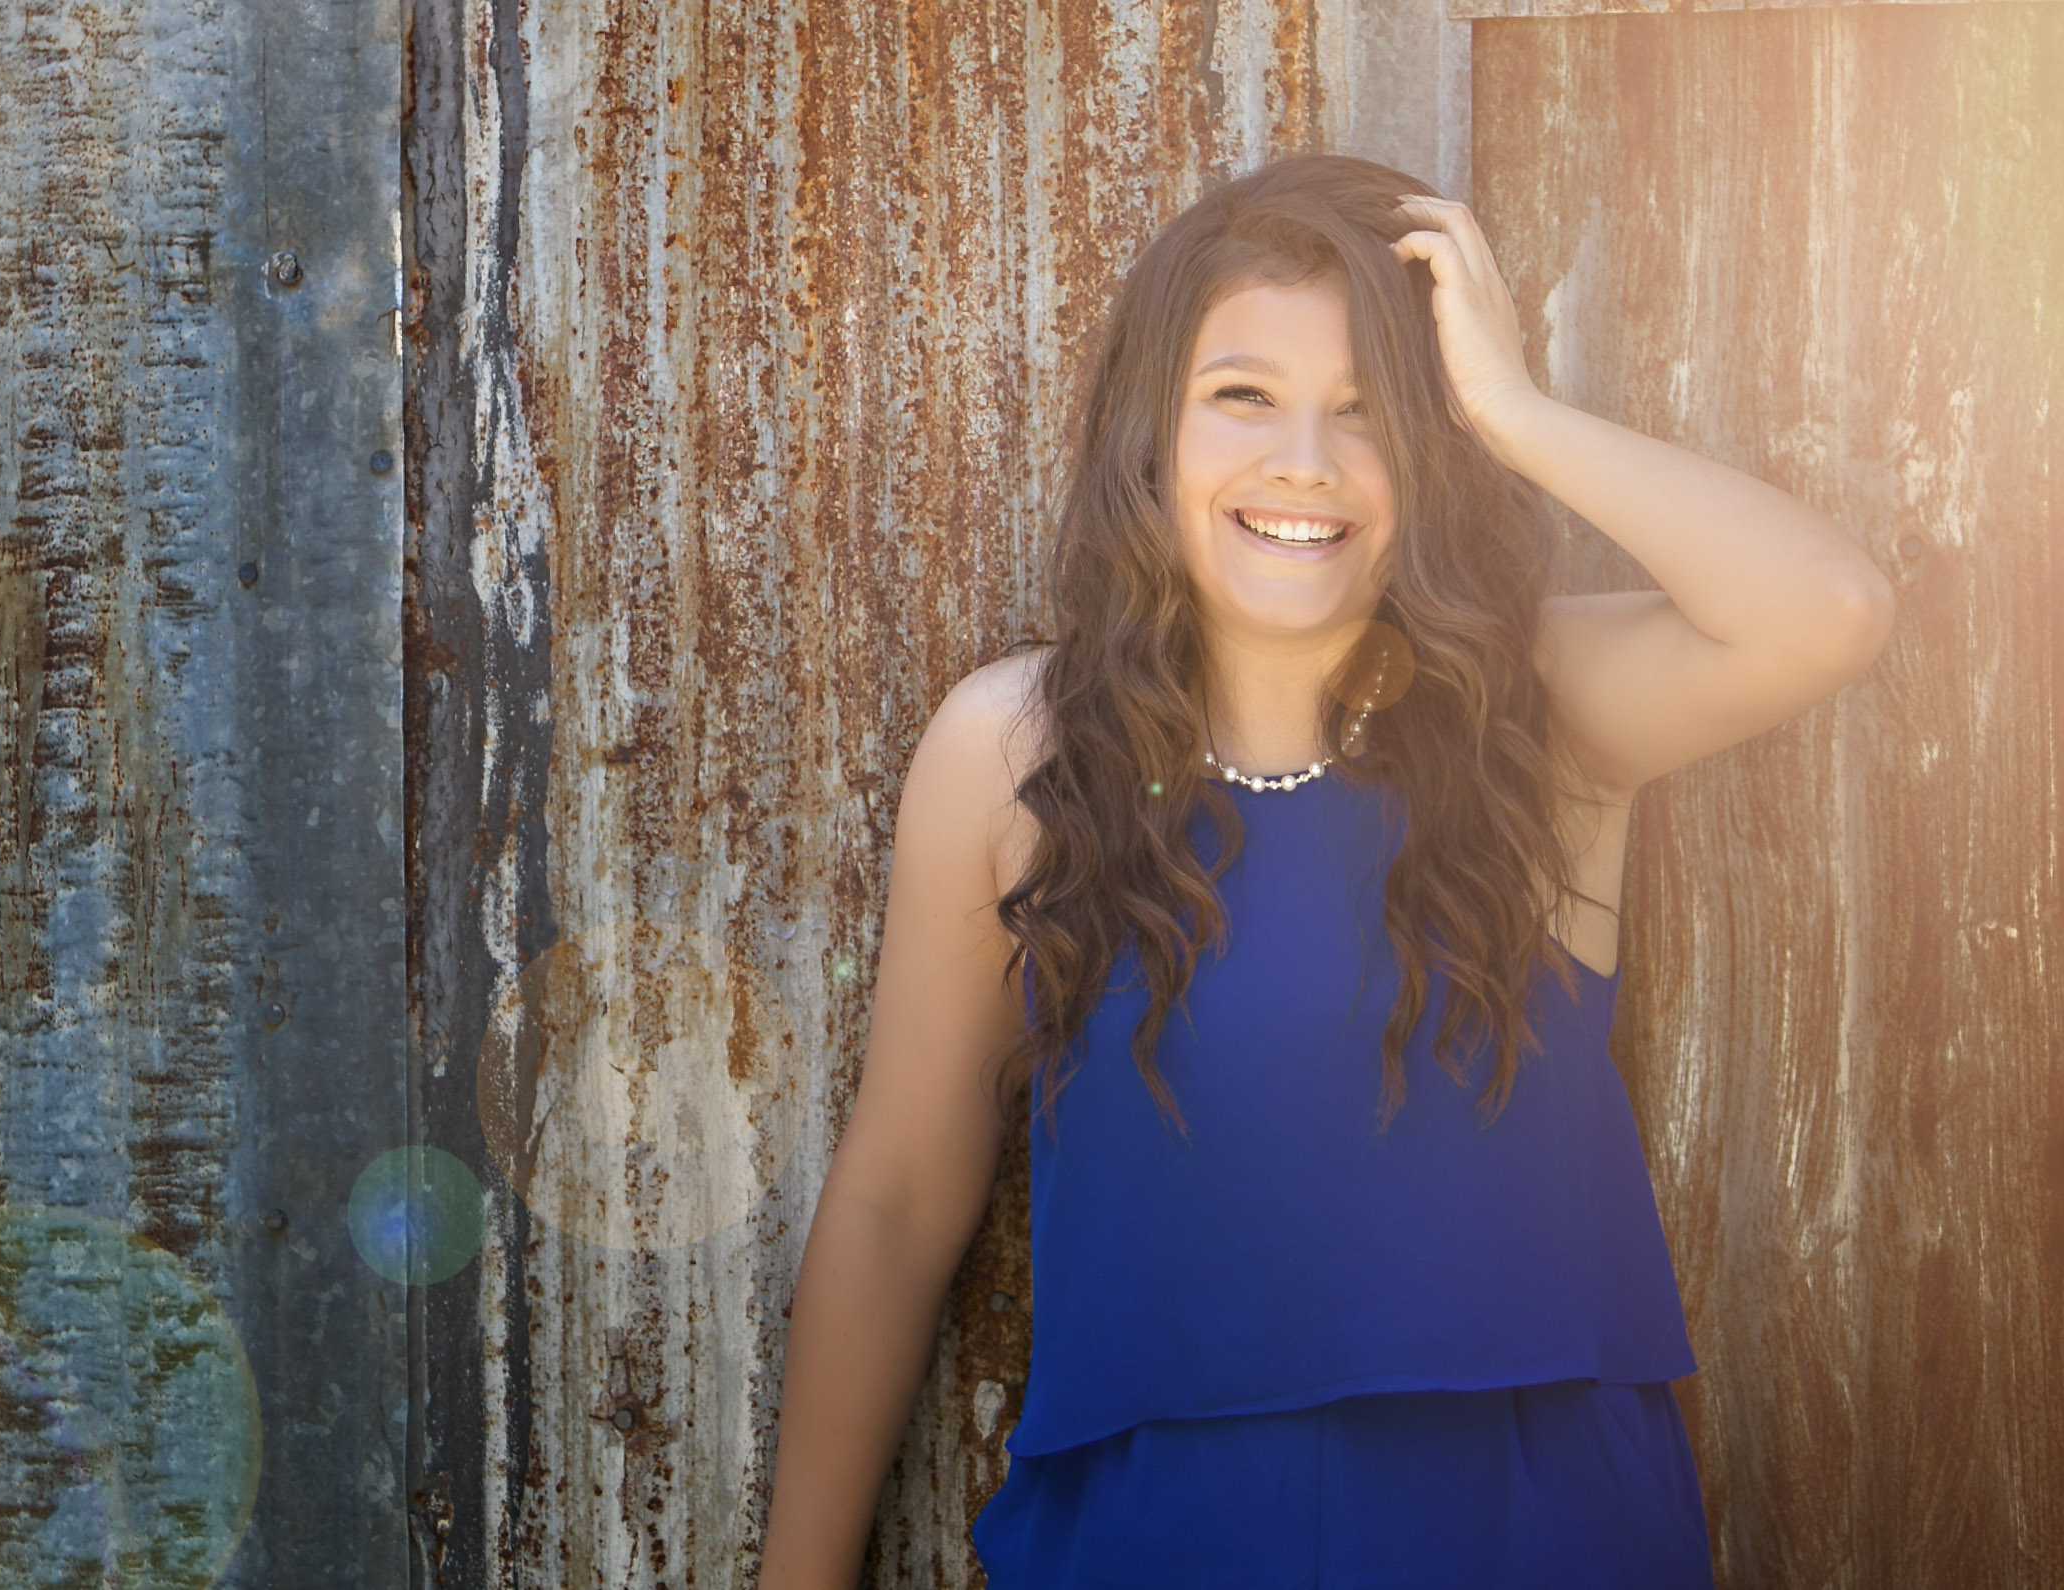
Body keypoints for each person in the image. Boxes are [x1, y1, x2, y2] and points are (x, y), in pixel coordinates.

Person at [756, 155, 1893, 1588]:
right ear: (1149, 430)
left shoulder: (1535, 717)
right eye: (1244, 395)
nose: (1304, 459)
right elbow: (898, 1201)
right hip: (1156, 1541)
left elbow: (1827, 610)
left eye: (1368, 410)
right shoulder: (1014, 751)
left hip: (1532, 1532)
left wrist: (1512, 410)